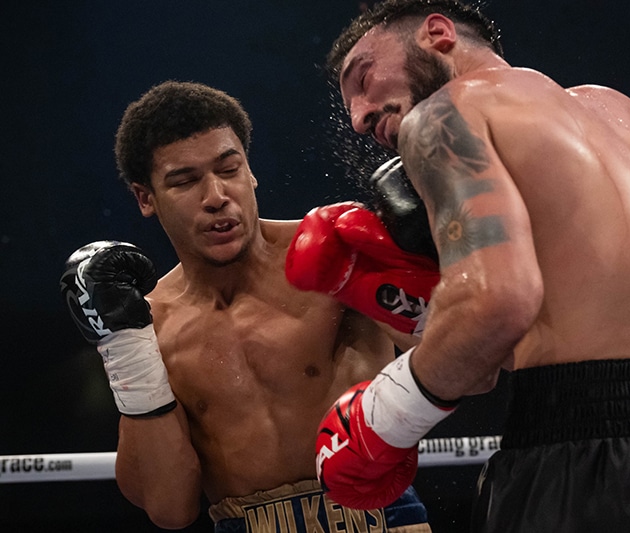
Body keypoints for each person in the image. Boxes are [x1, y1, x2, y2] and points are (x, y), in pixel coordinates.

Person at [307, 1, 630, 531]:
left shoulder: (444, 115)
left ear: (437, 33)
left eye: (364, 76)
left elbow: (497, 302)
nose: (359, 115)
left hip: (594, 453)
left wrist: (385, 415)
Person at [58, 80, 438, 532]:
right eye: (185, 181)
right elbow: (170, 508)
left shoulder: (335, 252)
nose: (216, 196)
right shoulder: (146, 328)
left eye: (229, 169)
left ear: (250, 171)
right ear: (146, 198)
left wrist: (424, 250)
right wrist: (125, 351)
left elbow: (454, 354)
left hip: (377, 515)